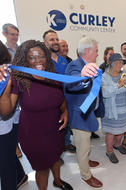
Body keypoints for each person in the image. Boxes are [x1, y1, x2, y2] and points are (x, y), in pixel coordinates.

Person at [0, 40, 73, 190]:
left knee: (56, 158)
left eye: (41, 56)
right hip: (34, 135)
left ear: (47, 56)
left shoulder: (53, 75)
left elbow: (60, 98)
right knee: (42, 168)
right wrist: (6, 85)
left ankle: (58, 181)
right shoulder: (20, 80)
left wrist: (65, 111)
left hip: (55, 129)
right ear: (25, 59)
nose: (38, 61)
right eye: (32, 57)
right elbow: (6, 111)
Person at [64, 37, 103, 189]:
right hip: (79, 116)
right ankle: (86, 175)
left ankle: (85, 161)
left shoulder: (88, 65)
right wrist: (82, 77)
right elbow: (71, 82)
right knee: (83, 146)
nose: (97, 54)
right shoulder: (75, 66)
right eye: (96, 51)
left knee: (85, 145)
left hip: (88, 113)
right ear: (87, 51)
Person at [0, 40, 27, 190]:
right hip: (6, 122)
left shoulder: (6, 73)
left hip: (7, 122)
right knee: (7, 156)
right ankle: (21, 175)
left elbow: (6, 110)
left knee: (5, 164)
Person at [43, 30, 76, 154]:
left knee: (65, 123)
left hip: (66, 98)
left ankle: (66, 144)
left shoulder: (64, 60)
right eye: (52, 40)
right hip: (50, 102)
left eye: (56, 39)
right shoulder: (42, 62)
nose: (55, 42)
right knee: (53, 127)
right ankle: (55, 151)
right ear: (45, 43)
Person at [101, 53, 126, 163]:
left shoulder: (124, 75)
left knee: (122, 130)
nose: (121, 65)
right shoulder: (104, 76)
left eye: (122, 63)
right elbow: (105, 93)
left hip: (124, 108)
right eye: (118, 62)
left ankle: (117, 145)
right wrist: (118, 86)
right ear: (112, 64)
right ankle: (109, 151)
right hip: (112, 110)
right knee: (111, 132)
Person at [2, 23, 22, 158]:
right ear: (4, 34)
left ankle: (20, 140)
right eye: (12, 34)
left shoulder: (22, 51)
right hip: (9, 89)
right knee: (10, 115)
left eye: (16, 34)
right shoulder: (2, 51)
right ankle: (14, 146)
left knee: (20, 118)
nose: (15, 37)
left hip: (23, 88)